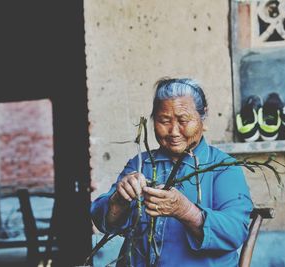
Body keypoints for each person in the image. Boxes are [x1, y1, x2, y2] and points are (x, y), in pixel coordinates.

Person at [91, 78, 253, 266]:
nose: (174, 131)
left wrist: (186, 211)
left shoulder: (223, 167)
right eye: (164, 120)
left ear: (203, 117)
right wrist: (118, 200)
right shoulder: (141, 164)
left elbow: (235, 232)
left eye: (183, 120)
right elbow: (103, 222)